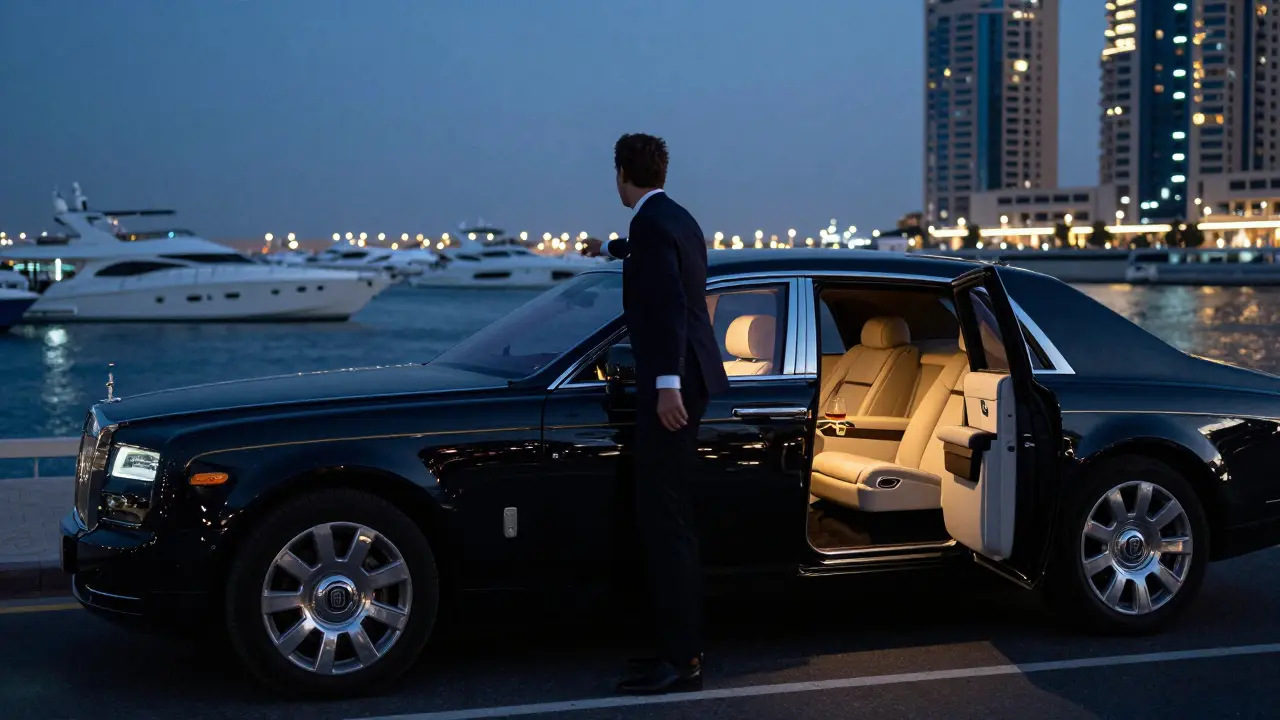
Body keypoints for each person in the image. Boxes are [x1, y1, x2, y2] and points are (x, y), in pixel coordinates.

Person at [583, 133, 730, 695]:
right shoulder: (674, 219)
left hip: (673, 384)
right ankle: (673, 649)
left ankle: (683, 660)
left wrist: (665, 383)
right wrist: (609, 250)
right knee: (662, 518)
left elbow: (668, 303)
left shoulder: (651, 226)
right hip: (689, 377)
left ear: (621, 172)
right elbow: (659, 270)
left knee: (667, 523)